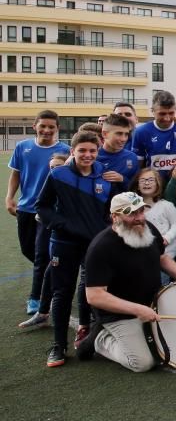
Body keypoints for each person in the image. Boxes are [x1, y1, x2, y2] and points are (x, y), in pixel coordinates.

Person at [76, 192, 176, 372]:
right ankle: (100, 338)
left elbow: (162, 258)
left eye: (141, 211)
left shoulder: (147, 227)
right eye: (131, 214)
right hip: (120, 314)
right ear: (115, 217)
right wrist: (138, 310)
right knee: (143, 363)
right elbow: (95, 296)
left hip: (153, 303)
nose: (139, 218)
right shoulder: (101, 248)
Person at [36, 131, 117, 367]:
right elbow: (42, 207)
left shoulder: (105, 175)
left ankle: (86, 333)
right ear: (72, 152)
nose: (87, 155)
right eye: (82, 150)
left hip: (94, 245)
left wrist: (104, 230)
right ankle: (58, 345)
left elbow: (108, 212)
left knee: (90, 290)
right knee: (62, 292)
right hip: (64, 243)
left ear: (98, 151)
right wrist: (64, 225)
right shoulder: (58, 175)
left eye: (92, 150)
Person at [7, 109, 71, 314]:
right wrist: (9, 197)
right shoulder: (22, 147)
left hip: (49, 210)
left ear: (57, 129)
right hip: (26, 207)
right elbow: (16, 174)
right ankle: (52, 275)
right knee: (28, 249)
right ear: (35, 126)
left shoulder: (66, 150)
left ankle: (35, 298)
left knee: (42, 254)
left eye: (51, 127)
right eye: (42, 126)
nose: (46, 130)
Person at [131, 91, 176, 181]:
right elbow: (137, 166)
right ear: (153, 111)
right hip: (154, 186)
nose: (167, 118)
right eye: (162, 114)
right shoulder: (141, 131)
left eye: (171, 113)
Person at [130, 167, 176, 262]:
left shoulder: (166, 205)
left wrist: (167, 238)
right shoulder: (132, 208)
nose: (146, 183)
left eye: (150, 180)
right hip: (142, 257)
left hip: (164, 257)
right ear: (137, 185)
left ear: (157, 184)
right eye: (142, 180)